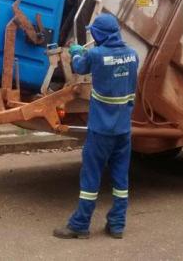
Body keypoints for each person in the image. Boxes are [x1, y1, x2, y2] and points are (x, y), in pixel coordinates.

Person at [53, 13, 139, 239]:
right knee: (121, 178)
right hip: (123, 129)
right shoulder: (132, 55)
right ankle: (117, 225)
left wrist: (75, 52)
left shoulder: (96, 55)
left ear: (99, 35)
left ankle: (80, 225)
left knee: (91, 177)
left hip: (101, 130)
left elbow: (80, 67)